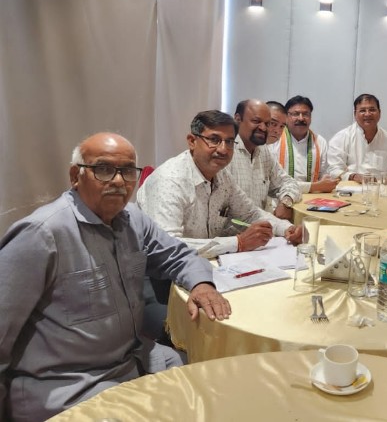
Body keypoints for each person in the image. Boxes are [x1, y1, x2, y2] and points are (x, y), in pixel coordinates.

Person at [0, 133, 230, 421]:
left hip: (134, 361)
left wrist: (202, 284)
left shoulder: (133, 219)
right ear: (75, 176)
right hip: (69, 386)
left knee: (216, 384)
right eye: (104, 169)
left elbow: (179, 255)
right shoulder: (41, 234)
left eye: (127, 171)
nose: (119, 181)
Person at [137, 110, 302, 257]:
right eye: (214, 140)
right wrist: (238, 243)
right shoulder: (170, 180)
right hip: (163, 272)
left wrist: (285, 229)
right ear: (192, 141)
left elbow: (250, 214)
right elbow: (166, 247)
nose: (223, 149)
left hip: (207, 263)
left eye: (229, 142)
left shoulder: (221, 176)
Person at [231, 99, 301, 220]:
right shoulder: (226, 151)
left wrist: (286, 202)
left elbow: (288, 182)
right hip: (234, 230)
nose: (263, 128)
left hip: (262, 225)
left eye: (267, 123)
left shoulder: (263, 150)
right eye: (256, 121)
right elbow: (235, 210)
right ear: (238, 119)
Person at [270, 95, 339, 193]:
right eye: (295, 114)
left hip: (313, 197)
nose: (301, 118)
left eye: (306, 114)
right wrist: (315, 186)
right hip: (280, 195)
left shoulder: (319, 142)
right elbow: (275, 182)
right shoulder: (274, 139)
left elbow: (324, 177)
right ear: (286, 117)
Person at [327, 93, 387, 182]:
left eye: (372, 110)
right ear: (355, 114)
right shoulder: (341, 138)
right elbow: (334, 170)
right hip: (349, 188)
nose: (367, 114)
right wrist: (354, 176)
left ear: (379, 112)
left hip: (380, 188)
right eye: (362, 110)